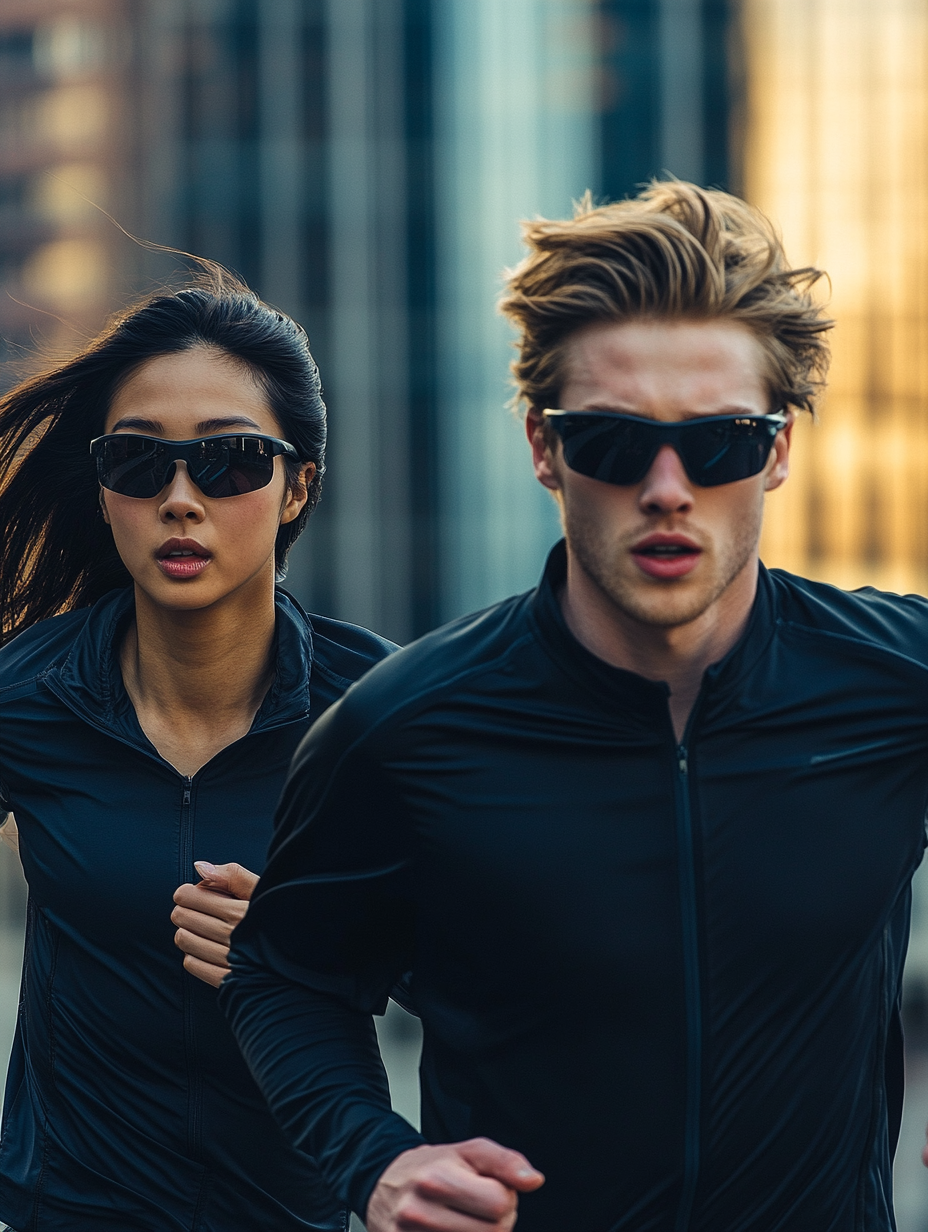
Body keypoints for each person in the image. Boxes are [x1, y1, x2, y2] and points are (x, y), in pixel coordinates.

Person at [220, 180, 928, 1232]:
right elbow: (282, 971)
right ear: (544, 447)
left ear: (778, 451)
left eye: (720, 441)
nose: (666, 485)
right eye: (610, 440)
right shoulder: (407, 727)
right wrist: (371, 1157)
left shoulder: (893, 684)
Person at [0, 273, 395, 1231]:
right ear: (104, 490)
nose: (181, 499)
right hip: (69, 1210)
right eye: (139, 463)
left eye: (228, 461)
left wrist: (312, 941)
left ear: (298, 483)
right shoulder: (25, 695)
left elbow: (495, 960)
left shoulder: (380, 712)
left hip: (298, 1212)